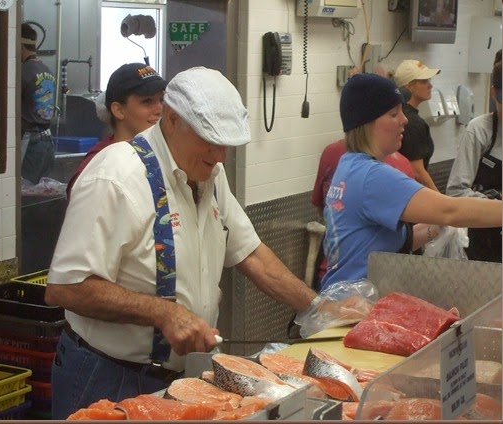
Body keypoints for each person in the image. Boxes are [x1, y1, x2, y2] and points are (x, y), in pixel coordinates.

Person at [45, 67, 321, 419]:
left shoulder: (210, 175)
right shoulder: (114, 177)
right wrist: (165, 312)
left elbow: (250, 253)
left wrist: (318, 308)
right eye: (210, 140)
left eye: (227, 144)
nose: (221, 155)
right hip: (106, 377)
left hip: (180, 379)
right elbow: (66, 288)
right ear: (172, 120)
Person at [320, 73, 502, 291]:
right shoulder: (373, 176)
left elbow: (384, 243)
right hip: (354, 306)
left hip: (347, 298)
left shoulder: (350, 165)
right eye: (393, 114)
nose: (404, 119)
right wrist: (448, 218)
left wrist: (440, 227)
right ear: (368, 124)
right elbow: (450, 210)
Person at [311, 139, 414, 289]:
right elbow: (404, 234)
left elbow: (322, 208)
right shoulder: (400, 167)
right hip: (369, 286)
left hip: (330, 273)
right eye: (393, 114)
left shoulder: (335, 155)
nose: (403, 121)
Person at [66, 63, 167, 198]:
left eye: (161, 100)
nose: (159, 109)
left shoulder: (160, 153)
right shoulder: (97, 169)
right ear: (119, 110)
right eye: (147, 101)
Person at [446, 59, 502, 262]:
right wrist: (493, 204)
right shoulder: (480, 130)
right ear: (494, 93)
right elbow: (455, 191)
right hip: (484, 239)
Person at [392, 59, 441, 191]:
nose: (430, 86)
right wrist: (440, 199)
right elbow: (417, 172)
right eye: (424, 82)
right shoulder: (412, 122)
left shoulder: (396, 114)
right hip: (410, 192)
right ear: (409, 87)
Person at [21, 23, 56, 184]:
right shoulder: (47, 70)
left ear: (20, 46)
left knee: (25, 192)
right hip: (47, 141)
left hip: (31, 142)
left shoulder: (22, 72)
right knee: (40, 193)